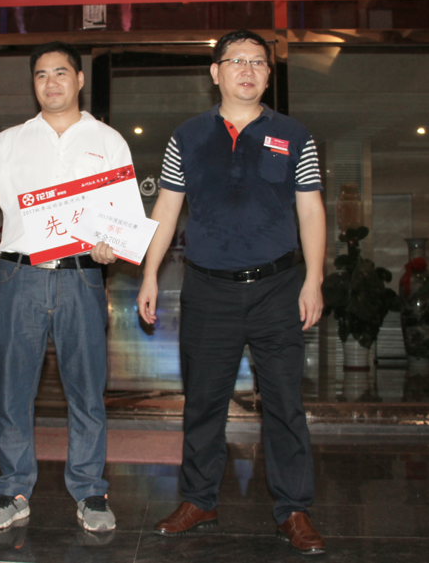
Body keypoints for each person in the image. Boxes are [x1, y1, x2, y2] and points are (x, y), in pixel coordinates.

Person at [136, 29, 327, 555]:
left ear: (269, 74)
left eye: (258, 62)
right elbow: (167, 208)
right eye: (236, 60)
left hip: (278, 288)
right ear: (215, 72)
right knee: (203, 401)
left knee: (284, 402)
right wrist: (150, 274)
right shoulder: (187, 136)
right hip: (208, 289)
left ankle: (294, 509)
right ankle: (199, 499)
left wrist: (313, 279)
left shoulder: (294, 134)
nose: (247, 69)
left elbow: (310, 208)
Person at [0, 41, 130, 533]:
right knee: (13, 391)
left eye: (61, 72)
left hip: (81, 277)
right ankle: (12, 490)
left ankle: (90, 492)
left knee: (87, 392)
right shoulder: (11, 140)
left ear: (79, 79)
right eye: (41, 75)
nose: (51, 82)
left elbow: (122, 217)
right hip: (19, 277)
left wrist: (111, 245)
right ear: (33, 84)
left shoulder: (108, 140)